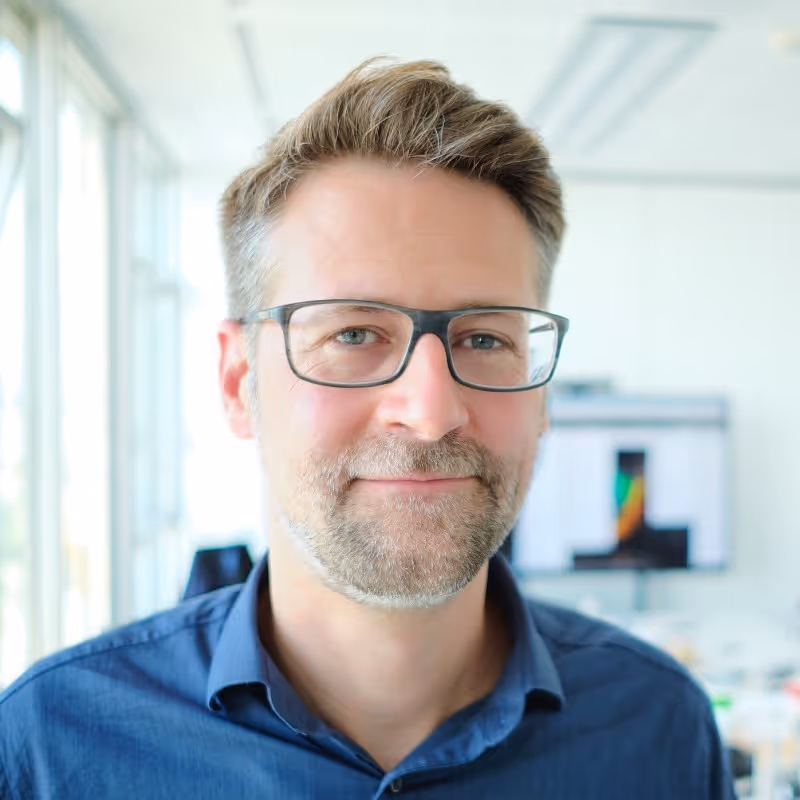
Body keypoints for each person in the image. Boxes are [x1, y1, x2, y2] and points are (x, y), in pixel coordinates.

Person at [0, 59, 734, 799]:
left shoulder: (659, 730)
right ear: (238, 381)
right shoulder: (50, 749)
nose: (431, 412)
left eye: (486, 338)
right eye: (353, 334)